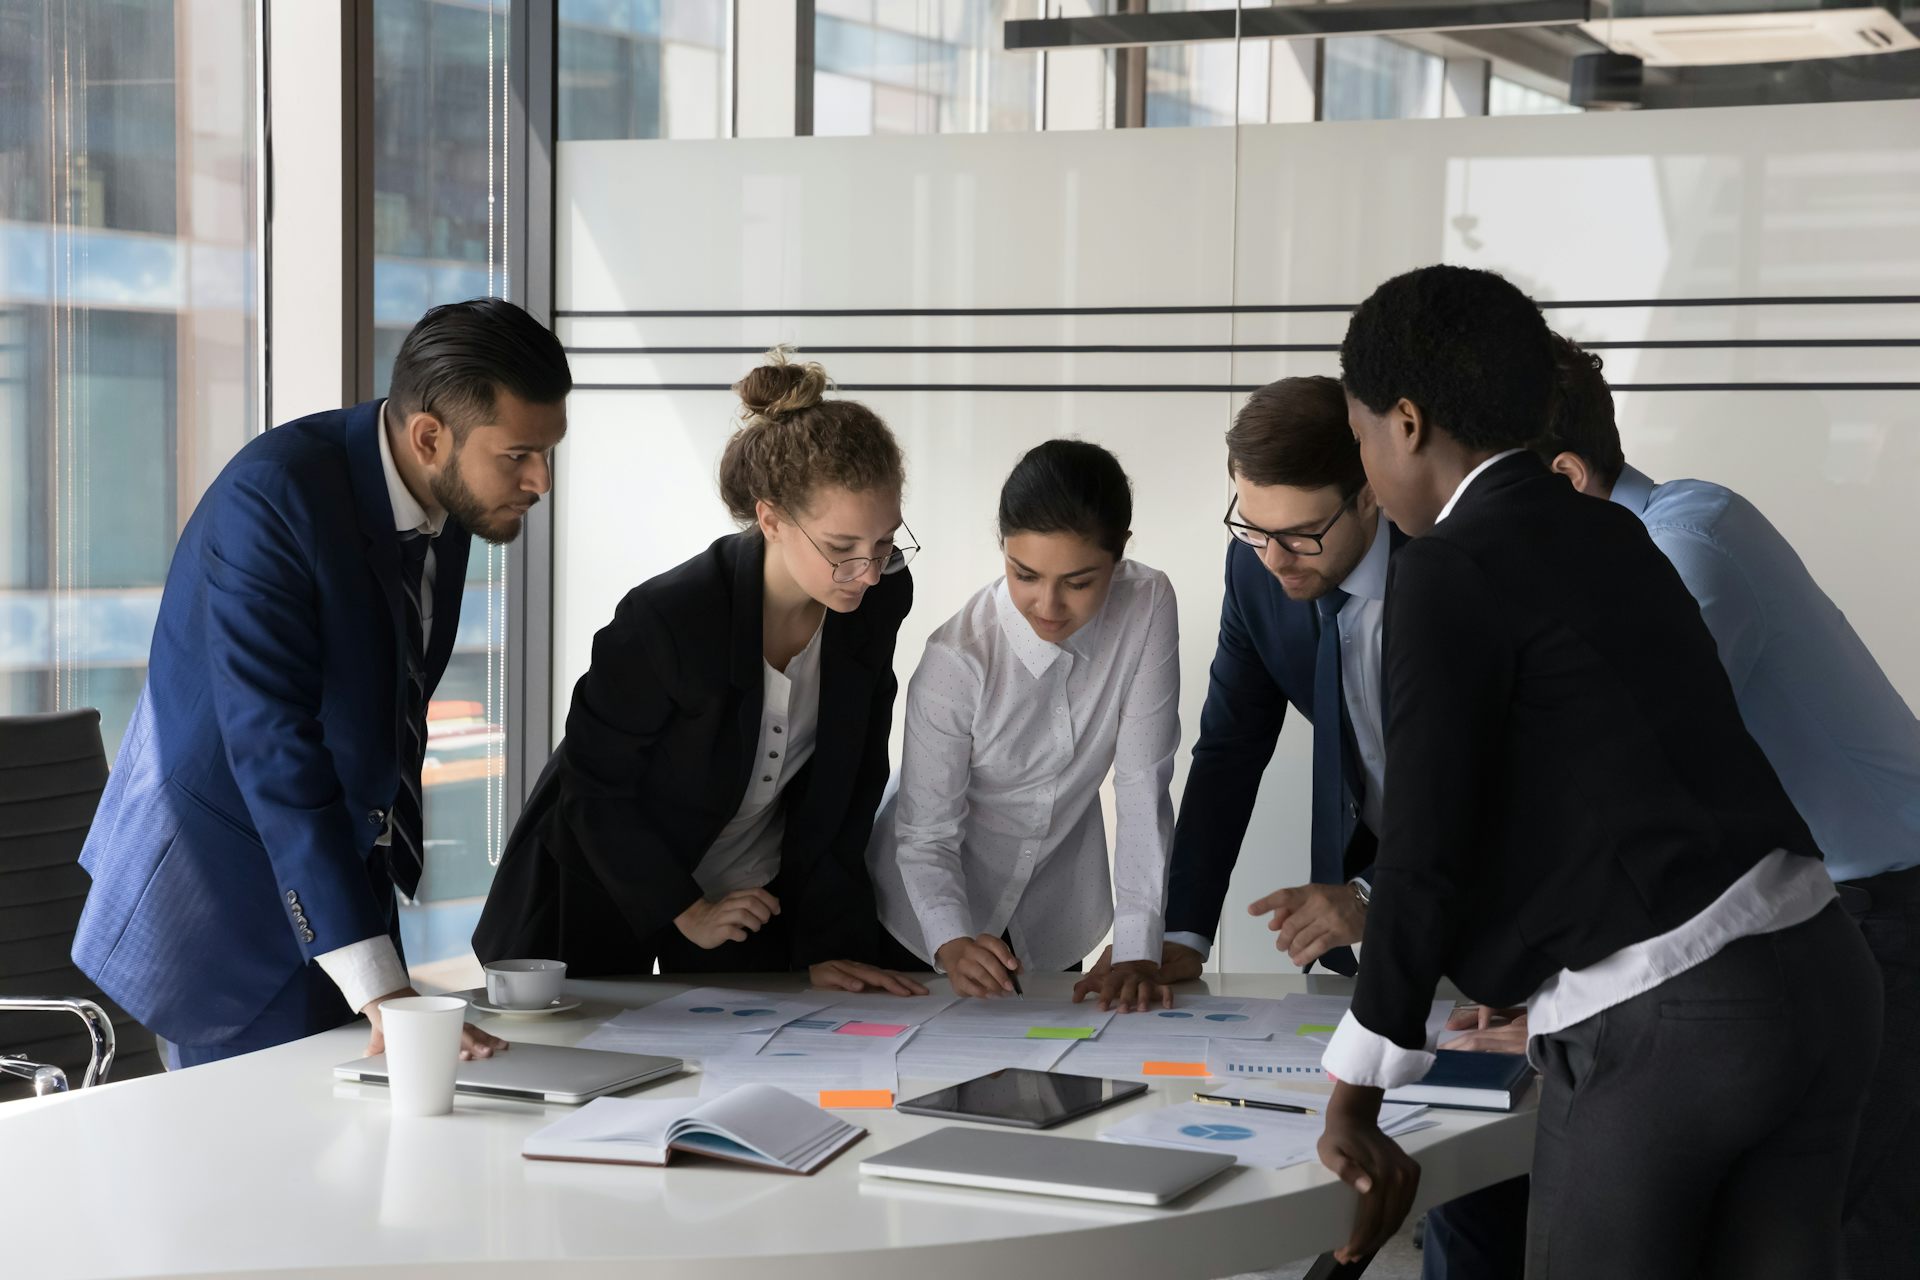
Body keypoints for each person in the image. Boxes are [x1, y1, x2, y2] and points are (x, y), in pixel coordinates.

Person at [1317, 264, 1882, 1279]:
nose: (1365, 470)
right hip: (1820, 966)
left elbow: (1428, 836)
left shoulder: (1447, 567)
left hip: (1677, 1012)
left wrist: (1358, 1084)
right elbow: (1603, 779)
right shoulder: (1609, 529)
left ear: (1406, 422)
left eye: (1359, 439)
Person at [73, 297, 570, 1067]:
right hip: (226, 901)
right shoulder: (273, 498)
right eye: (519, 456)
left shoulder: (454, 499)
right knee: (253, 1173)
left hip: (342, 885)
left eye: (548, 453)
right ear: (430, 436)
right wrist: (379, 986)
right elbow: (270, 740)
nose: (541, 480)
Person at [1518, 333, 1917, 1280]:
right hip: (1827, 917)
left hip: (1889, 912)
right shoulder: (1635, 549)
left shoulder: (1685, 546)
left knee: (1856, 1240)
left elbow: (1612, 780)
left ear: (1566, 478)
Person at [473, 350, 926, 996]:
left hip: (748, 893)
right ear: (770, 519)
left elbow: (850, 781)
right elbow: (593, 791)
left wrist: (820, 946)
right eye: (842, 549)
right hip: (602, 888)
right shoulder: (669, 620)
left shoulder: (876, 598)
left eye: (884, 543)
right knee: (603, 1078)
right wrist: (688, 910)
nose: (869, 571)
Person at [1093, 376, 1407, 997]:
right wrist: (1179, 932)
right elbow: (1230, 751)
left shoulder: (1448, 570)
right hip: (1370, 928)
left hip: (1498, 913)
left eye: (1301, 534)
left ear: (1370, 495)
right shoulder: (1256, 569)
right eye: (1253, 527)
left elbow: (1502, 782)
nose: (1275, 559)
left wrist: (1374, 892)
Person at [867, 440, 1181, 1011]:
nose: (1048, 605)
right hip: (923, 918)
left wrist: (1139, 947)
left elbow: (1142, 786)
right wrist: (950, 940)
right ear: (1003, 550)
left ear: (1120, 553)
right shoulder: (956, 660)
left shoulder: (1148, 603)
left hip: (1054, 913)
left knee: (1061, 1080)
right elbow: (926, 831)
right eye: (1025, 574)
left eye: (1079, 582)